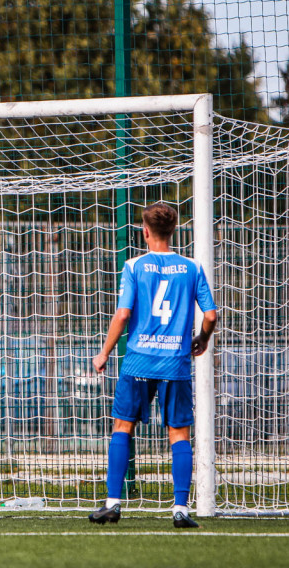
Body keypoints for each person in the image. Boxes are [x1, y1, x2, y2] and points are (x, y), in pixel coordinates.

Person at [90, 203, 218, 528]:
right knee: (179, 433)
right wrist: (201, 340)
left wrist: (104, 352)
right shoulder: (192, 267)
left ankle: (113, 503)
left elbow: (122, 314)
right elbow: (211, 315)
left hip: (137, 362)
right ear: (173, 231)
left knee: (122, 427)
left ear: (145, 232)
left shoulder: (133, 265)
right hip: (175, 363)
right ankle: (180, 509)